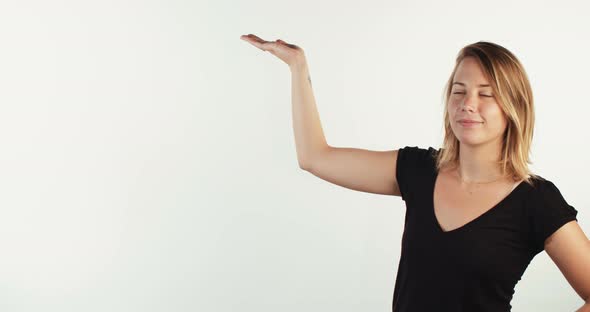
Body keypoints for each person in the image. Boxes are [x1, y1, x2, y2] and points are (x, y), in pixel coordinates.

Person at [240, 34, 590, 311]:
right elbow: (314, 157)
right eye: (459, 91)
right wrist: (298, 67)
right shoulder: (419, 170)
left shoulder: (535, 201)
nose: (468, 103)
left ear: (513, 108)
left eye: (487, 94)